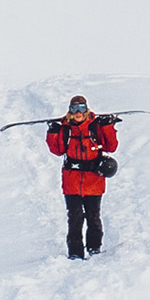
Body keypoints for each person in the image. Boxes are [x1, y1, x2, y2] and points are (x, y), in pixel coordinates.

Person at [45, 94, 119, 259]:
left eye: (81, 108)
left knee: (93, 216)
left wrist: (108, 126)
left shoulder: (95, 127)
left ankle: (94, 248)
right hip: (71, 180)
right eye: (74, 109)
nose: (78, 112)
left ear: (86, 110)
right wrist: (53, 132)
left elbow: (111, 146)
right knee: (75, 217)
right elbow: (57, 150)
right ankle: (75, 252)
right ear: (70, 110)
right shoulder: (66, 128)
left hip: (94, 180)